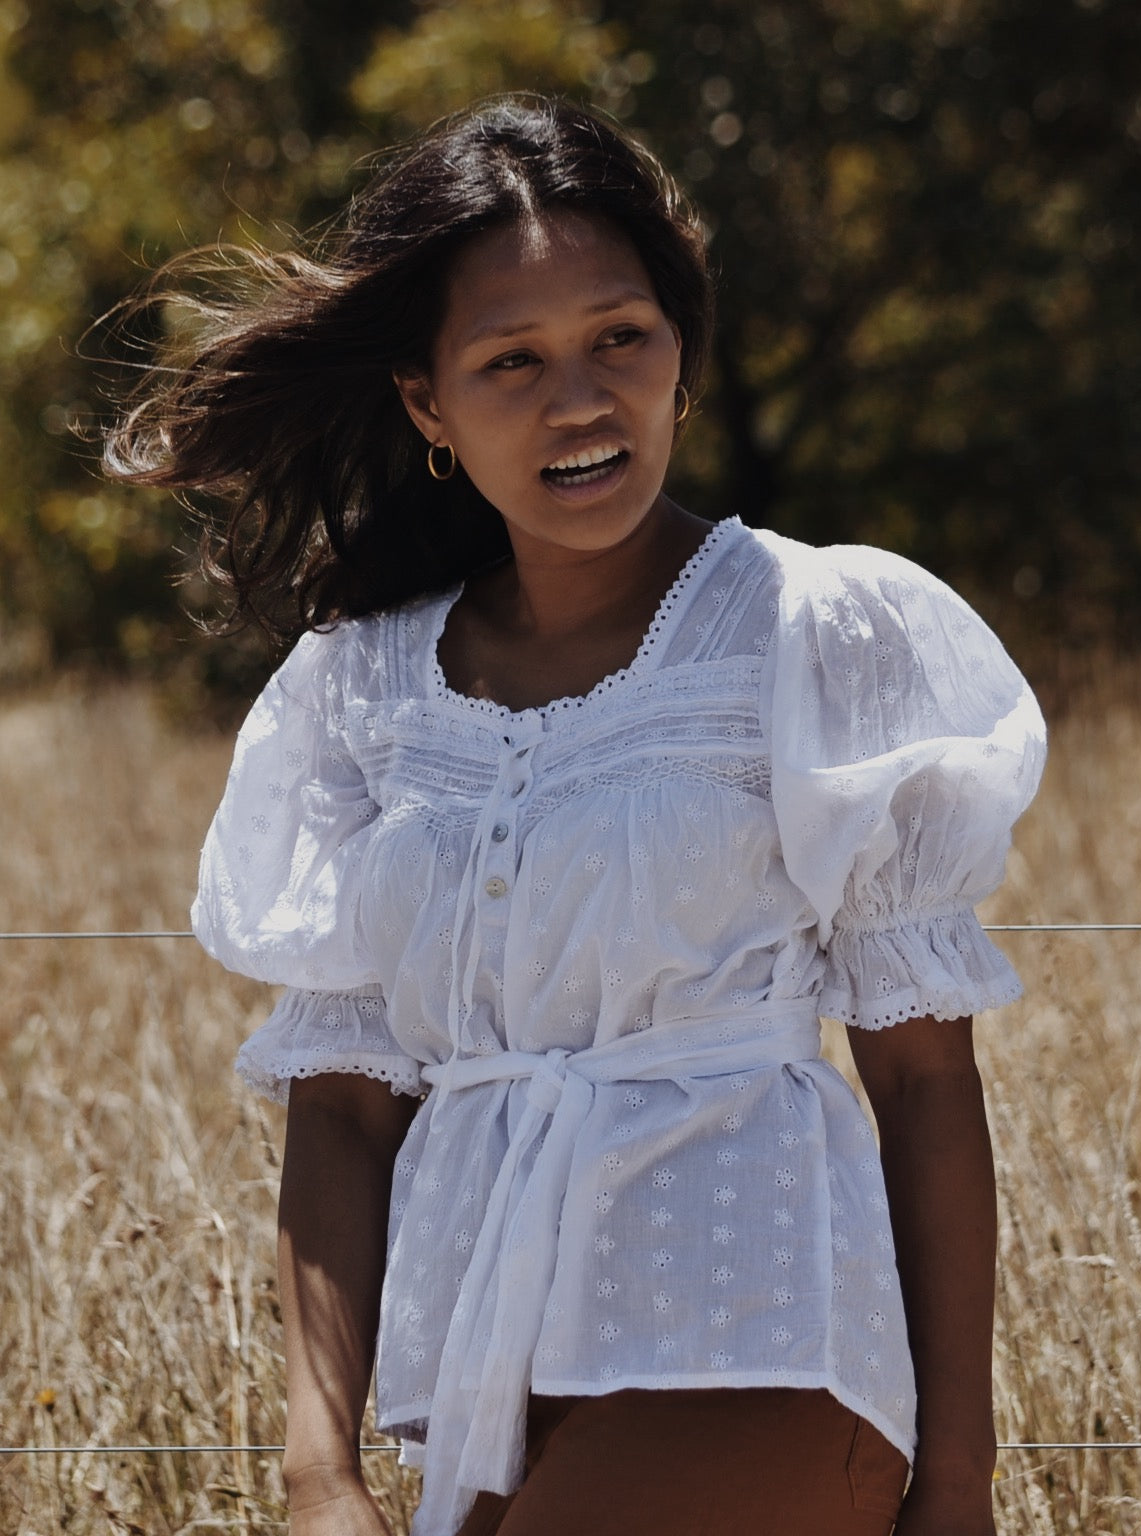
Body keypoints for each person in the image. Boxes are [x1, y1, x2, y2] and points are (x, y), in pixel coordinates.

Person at [104, 96, 1046, 1536]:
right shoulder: (361, 687)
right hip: (489, 1397)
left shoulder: (814, 628)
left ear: (683, 352)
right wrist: (320, 1472)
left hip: (761, 1340)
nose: (581, 400)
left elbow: (922, 1083)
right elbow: (346, 1109)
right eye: (512, 362)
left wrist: (962, 1484)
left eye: (622, 338)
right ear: (428, 403)